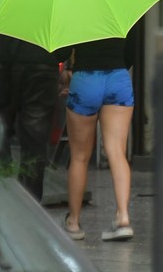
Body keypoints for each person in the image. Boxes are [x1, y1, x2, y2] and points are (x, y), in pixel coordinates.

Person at [0, 0, 62, 200]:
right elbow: (62, 12)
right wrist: (63, 58)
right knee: (35, 140)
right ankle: (31, 204)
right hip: (40, 61)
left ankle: (2, 197)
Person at [60, 36, 135, 242]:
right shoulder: (120, 14)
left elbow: (60, 51)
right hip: (118, 78)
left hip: (85, 78)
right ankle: (123, 217)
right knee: (117, 152)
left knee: (79, 157)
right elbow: (133, 49)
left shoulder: (76, 15)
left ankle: (73, 222)